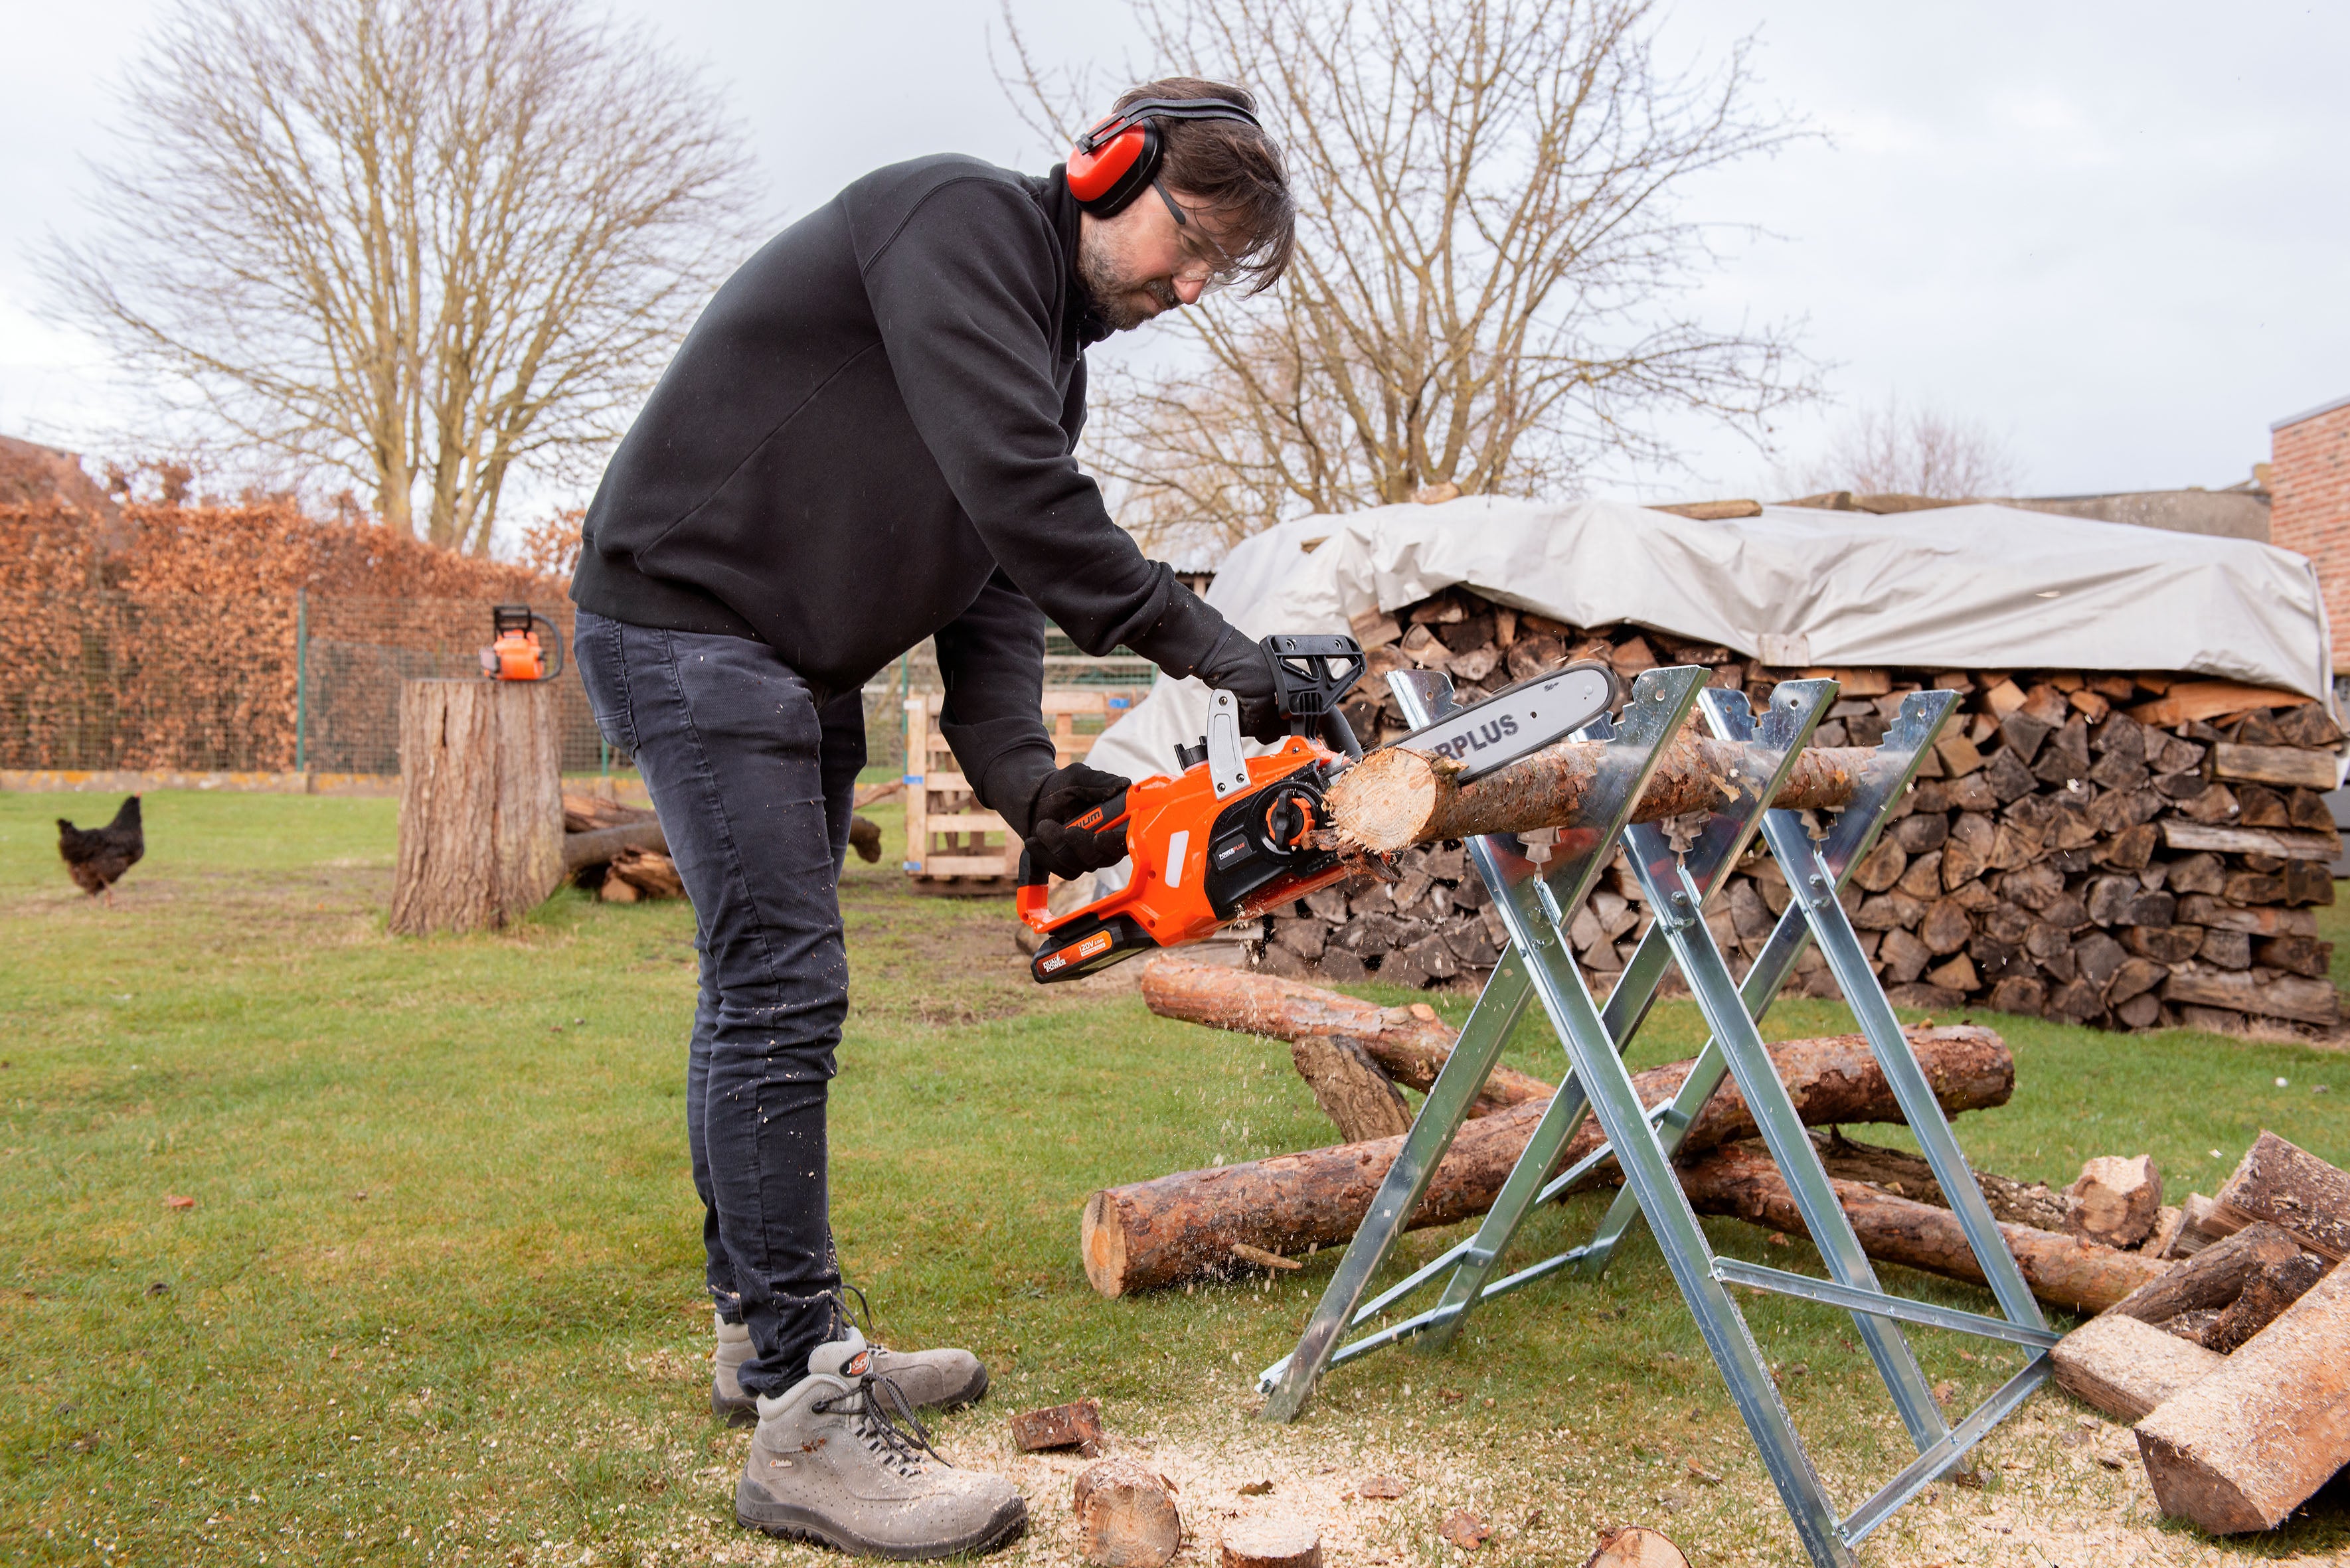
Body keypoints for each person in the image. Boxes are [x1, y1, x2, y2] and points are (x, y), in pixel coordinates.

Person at [568, 78, 1296, 1559]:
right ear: (1112, 167)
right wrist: (1210, 643)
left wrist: (1030, 786)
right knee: (785, 986)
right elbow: (1030, 500)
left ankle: (765, 1339)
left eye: (1219, 269)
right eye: (1192, 238)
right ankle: (808, 1425)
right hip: (689, 623)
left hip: (784, 654)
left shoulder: (1043, 355)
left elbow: (990, 592)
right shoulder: (958, 222)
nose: (1192, 282)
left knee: (752, 988)